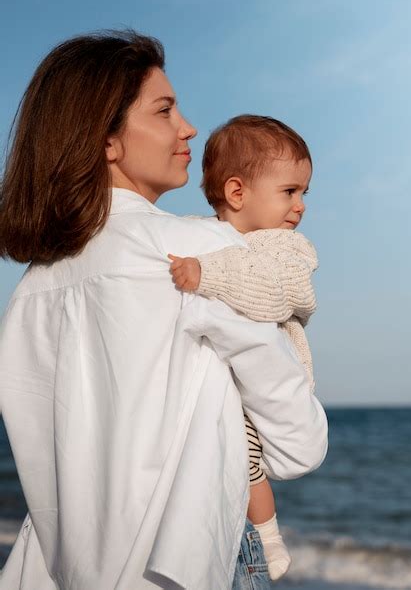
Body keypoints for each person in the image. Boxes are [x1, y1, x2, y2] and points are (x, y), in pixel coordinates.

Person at [0, 30, 328, 590]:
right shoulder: (204, 252)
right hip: (191, 564)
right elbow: (299, 445)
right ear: (107, 140)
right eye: (165, 109)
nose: (189, 128)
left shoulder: (31, 292)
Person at [169, 115, 318, 582]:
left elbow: (273, 287)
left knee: (251, 464)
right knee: (235, 460)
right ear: (237, 194)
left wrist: (206, 275)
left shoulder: (289, 249)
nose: (300, 206)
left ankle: (268, 540)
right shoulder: (198, 234)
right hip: (218, 387)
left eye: (303, 194)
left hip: (265, 387)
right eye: (290, 191)